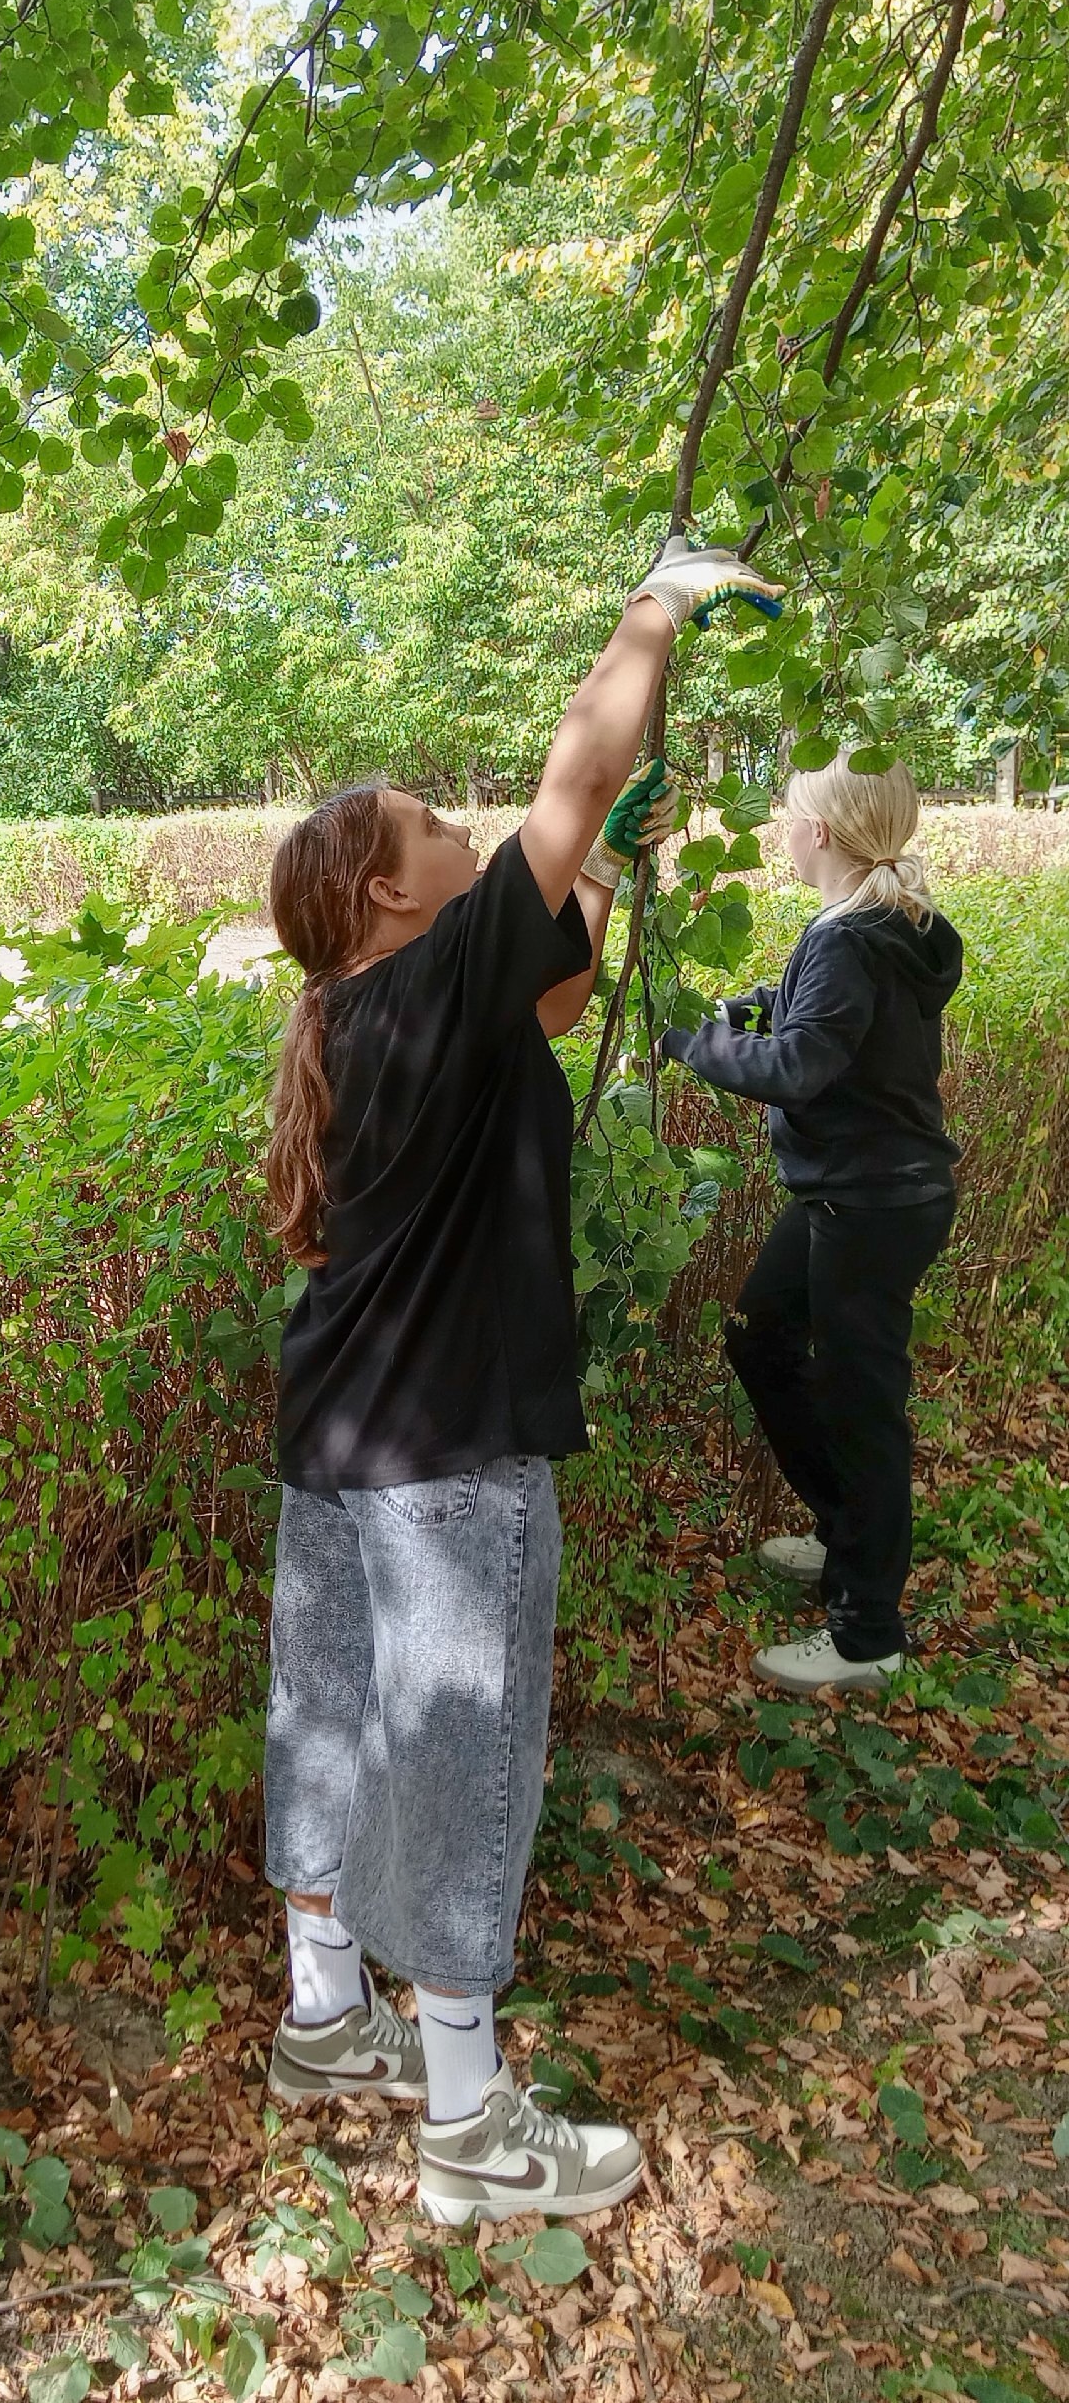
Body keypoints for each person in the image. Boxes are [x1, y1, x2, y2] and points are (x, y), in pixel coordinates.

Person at [259, 536, 783, 2227]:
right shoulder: (422, 974)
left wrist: (602, 882)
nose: (456, 825)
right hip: (446, 1454)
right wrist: (658, 602)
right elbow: (583, 760)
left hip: (338, 1448)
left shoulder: (359, 1017)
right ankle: (473, 2132)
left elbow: (542, 1009)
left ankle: (330, 2025)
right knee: (463, 1758)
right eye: (425, 824)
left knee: (333, 1729)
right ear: (383, 893)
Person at [659, 751, 962, 1695]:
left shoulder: (851, 935)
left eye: (790, 817)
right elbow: (826, 1021)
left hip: (869, 1204)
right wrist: (743, 1008)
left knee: (863, 1408)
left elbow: (796, 1069)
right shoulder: (882, 923)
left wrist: (691, 1040)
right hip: (860, 1192)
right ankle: (844, 1531)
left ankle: (867, 1632)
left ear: (820, 834)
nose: (783, 831)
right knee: (758, 1333)